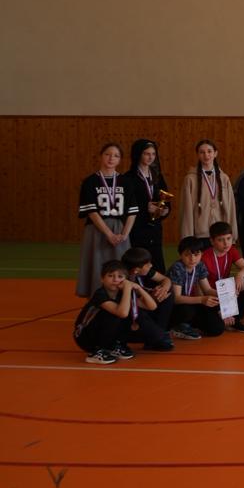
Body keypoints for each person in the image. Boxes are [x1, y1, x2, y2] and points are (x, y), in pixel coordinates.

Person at [77, 142, 138, 297]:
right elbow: (92, 211)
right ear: (101, 156)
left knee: (121, 266)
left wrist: (125, 234)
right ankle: (96, 301)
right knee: (97, 265)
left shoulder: (126, 182)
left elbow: (132, 212)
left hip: (120, 229)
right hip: (97, 229)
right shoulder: (90, 181)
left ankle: (122, 301)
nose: (111, 158)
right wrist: (108, 234)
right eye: (107, 154)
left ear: (120, 160)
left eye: (116, 156)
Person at [74, 260, 155, 365]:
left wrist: (139, 288)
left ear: (126, 279)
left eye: (120, 277)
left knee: (129, 310)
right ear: (102, 279)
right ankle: (95, 352)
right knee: (116, 313)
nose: (115, 280)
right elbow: (122, 313)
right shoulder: (100, 294)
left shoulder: (122, 293)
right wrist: (127, 288)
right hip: (85, 336)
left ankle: (112, 346)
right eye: (110, 276)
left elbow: (151, 306)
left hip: (101, 333)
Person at [179, 139, 237, 247]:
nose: (206, 155)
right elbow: (186, 210)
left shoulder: (224, 178)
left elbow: (231, 207)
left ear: (215, 153)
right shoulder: (190, 179)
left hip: (221, 233)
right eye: (202, 152)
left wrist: (232, 234)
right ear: (198, 155)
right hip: (200, 234)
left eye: (209, 151)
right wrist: (187, 237)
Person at [201, 221, 244, 332]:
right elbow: (205, 290)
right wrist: (226, 296)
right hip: (211, 295)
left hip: (225, 292)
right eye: (220, 240)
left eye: (228, 238)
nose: (226, 243)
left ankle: (235, 320)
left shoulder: (231, 251)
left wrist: (240, 275)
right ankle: (223, 317)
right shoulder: (204, 257)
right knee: (216, 329)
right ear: (212, 241)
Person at [167, 236, 224, 340]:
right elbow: (176, 298)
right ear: (180, 255)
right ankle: (177, 326)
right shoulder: (177, 268)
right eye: (187, 255)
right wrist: (202, 300)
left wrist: (224, 294)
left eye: (196, 254)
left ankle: (190, 325)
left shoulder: (200, 265)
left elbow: (207, 290)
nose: (192, 259)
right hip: (175, 307)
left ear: (202, 254)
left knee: (217, 328)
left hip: (191, 303)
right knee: (187, 310)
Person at [126, 139, 170, 271]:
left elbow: (166, 199)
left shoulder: (158, 176)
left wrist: (165, 210)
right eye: (146, 154)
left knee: (156, 264)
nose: (150, 157)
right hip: (137, 229)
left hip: (155, 229)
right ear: (138, 154)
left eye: (153, 154)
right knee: (138, 264)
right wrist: (145, 208)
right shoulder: (128, 178)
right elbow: (127, 205)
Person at [121, 246, 175, 351]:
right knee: (164, 345)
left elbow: (166, 279)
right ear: (136, 270)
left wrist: (163, 289)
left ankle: (160, 333)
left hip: (144, 306)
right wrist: (153, 296)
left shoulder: (141, 271)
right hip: (132, 315)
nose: (151, 265)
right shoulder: (123, 280)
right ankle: (153, 336)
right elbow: (142, 305)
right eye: (148, 264)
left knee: (168, 293)